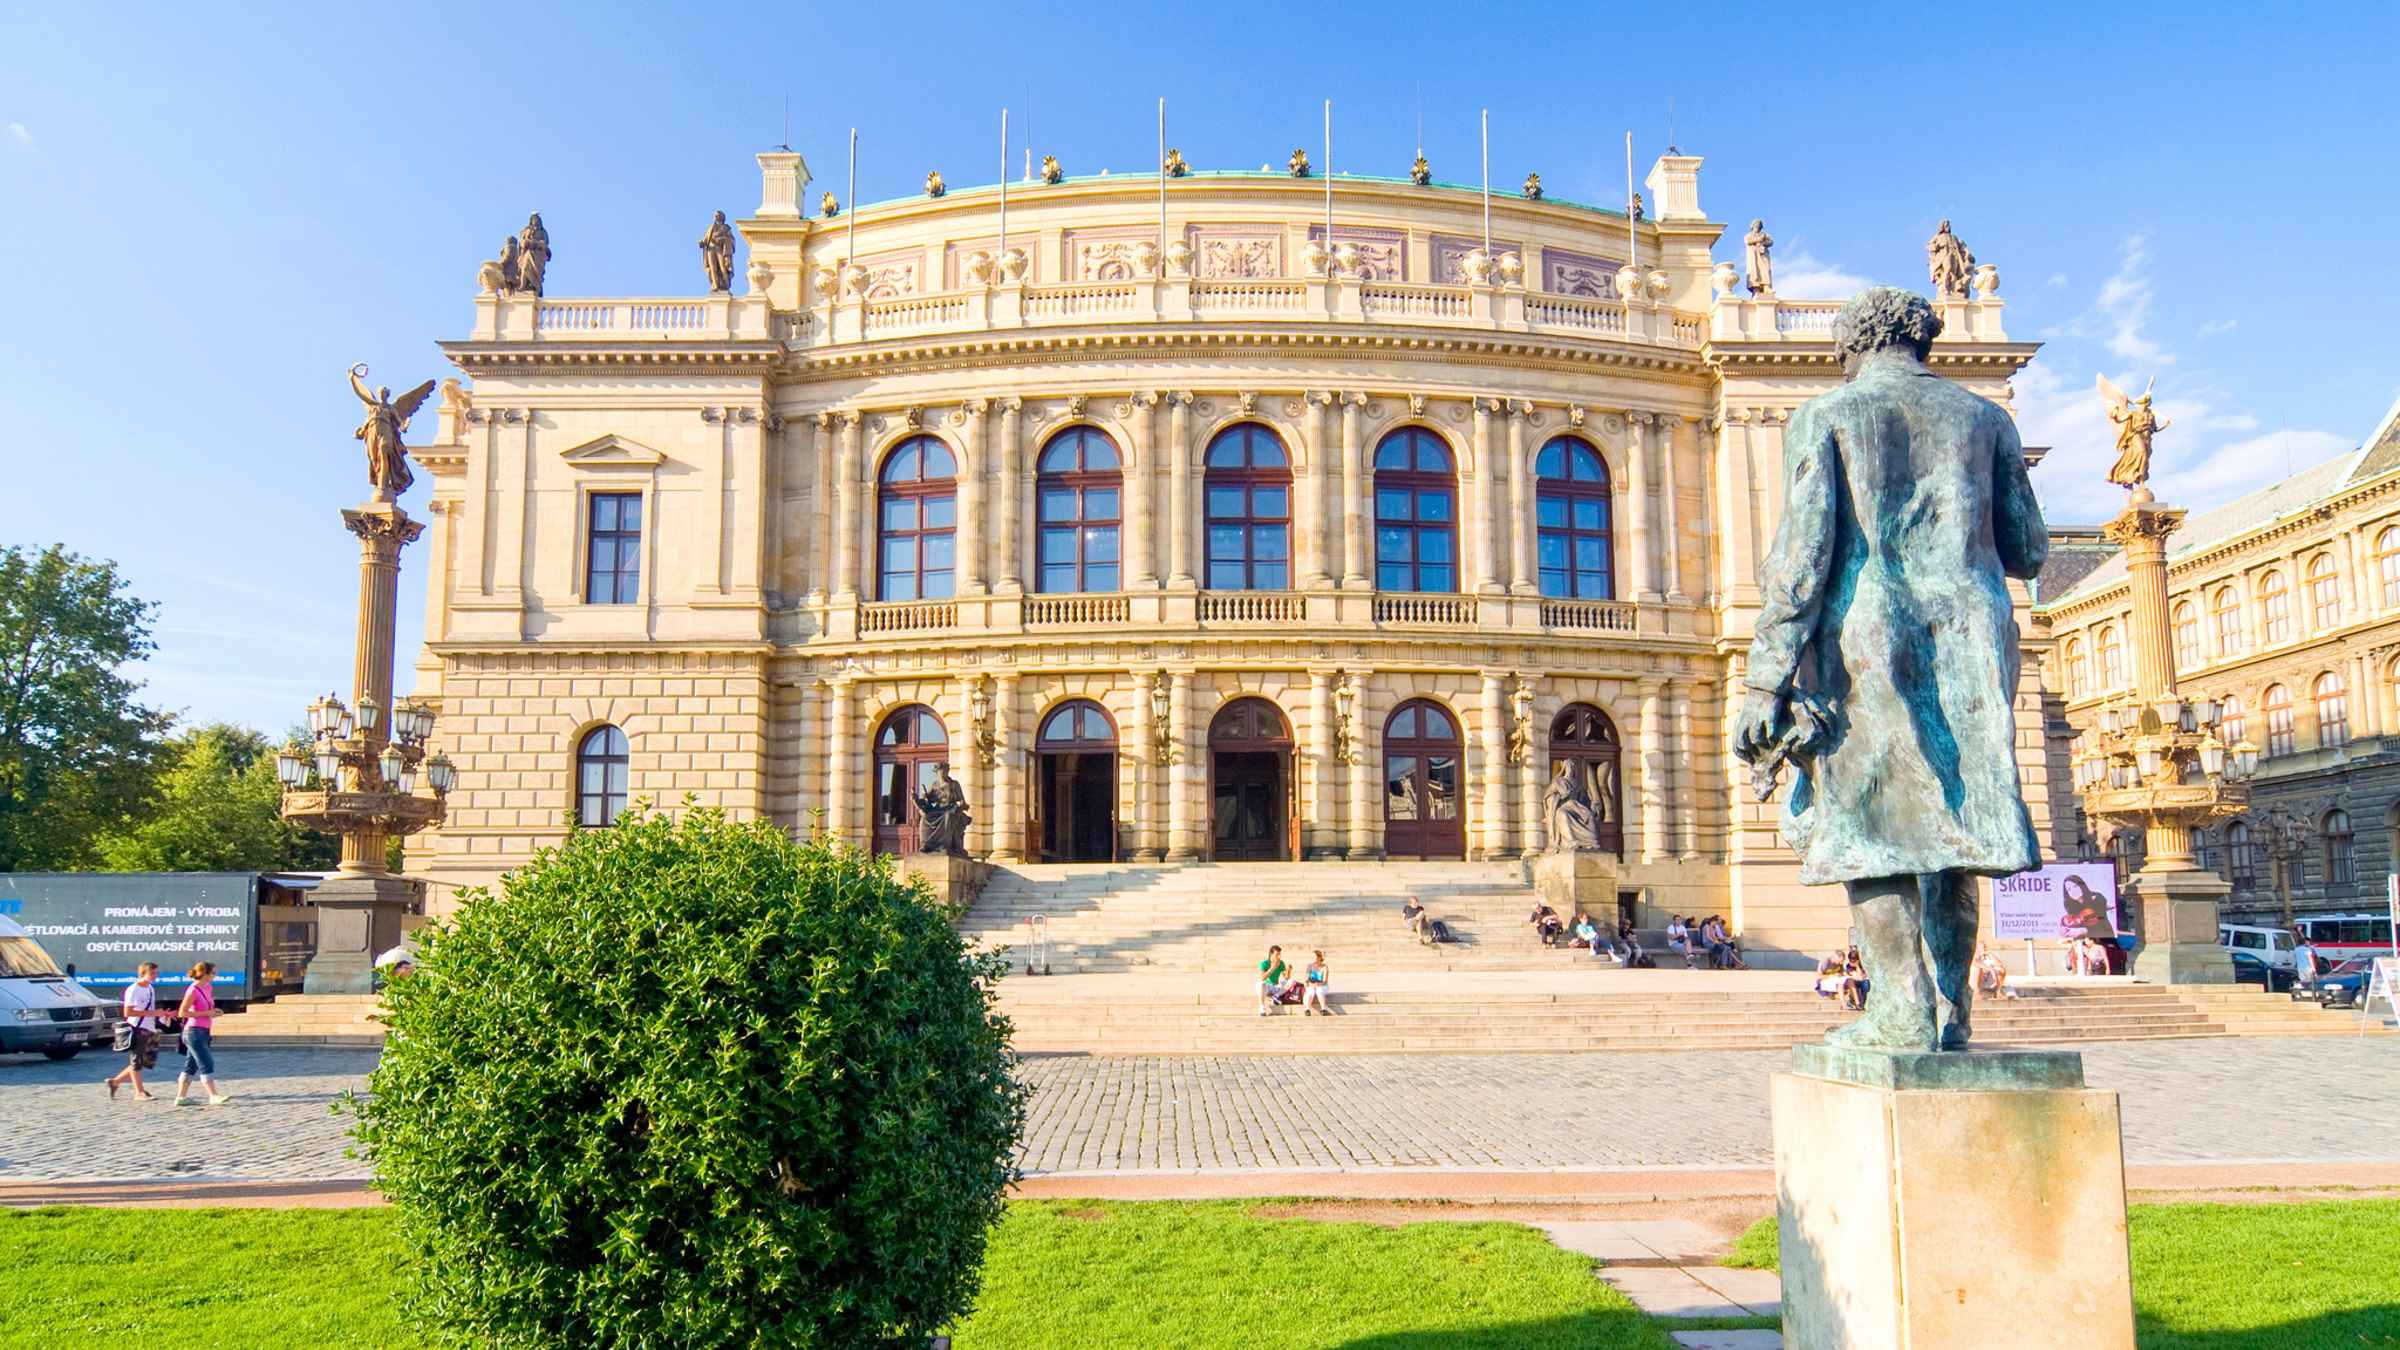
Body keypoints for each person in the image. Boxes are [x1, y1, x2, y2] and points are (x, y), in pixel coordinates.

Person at [172, 961, 231, 1107]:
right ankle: (213, 1095)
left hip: (204, 1030)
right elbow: (182, 1012)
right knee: (206, 1062)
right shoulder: (193, 990)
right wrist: (207, 1013)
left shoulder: (208, 987)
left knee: (190, 1065)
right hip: (193, 1032)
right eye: (213, 973)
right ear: (204, 974)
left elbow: (207, 1007)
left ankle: (181, 1097)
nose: (214, 976)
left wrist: (214, 1012)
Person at [105, 961, 164, 1101]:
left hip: (149, 1028)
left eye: (156, 973)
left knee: (144, 1061)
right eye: (152, 973)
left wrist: (161, 1014)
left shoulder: (150, 988)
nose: (155, 976)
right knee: (136, 1061)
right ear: (143, 973)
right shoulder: (133, 989)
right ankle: (139, 1092)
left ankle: (115, 1082)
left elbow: (149, 1009)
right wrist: (152, 1013)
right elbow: (128, 1011)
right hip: (138, 1028)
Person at [1258, 946, 1290, 1016]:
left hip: (1276, 987)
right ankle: (1262, 1008)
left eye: (1279, 954)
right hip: (1267, 987)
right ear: (1271, 954)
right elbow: (1262, 978)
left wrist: (1289, 971)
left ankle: (1275, 997)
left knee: (1291, 982)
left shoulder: (1281, 963)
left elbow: (1286, 978)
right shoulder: (1264, 963)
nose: (1279, 956)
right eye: (1277, 954)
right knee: (1261, 984)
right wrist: (1273, 968)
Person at [1302, 951, 1333, 1016]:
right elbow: (1306, 979)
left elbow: (1325, 981)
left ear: (1319, 957)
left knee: (1319, 991)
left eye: (1314, 956)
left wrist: (1317, 984)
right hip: (1311, 984)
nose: (1313, 958)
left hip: (1322, 985)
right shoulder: (1310, 966)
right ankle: (1307, 1009)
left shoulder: (1325, 967)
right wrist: (1309, 984)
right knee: (1311, 991)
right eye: (1312, 956)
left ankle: (1323, 1009)